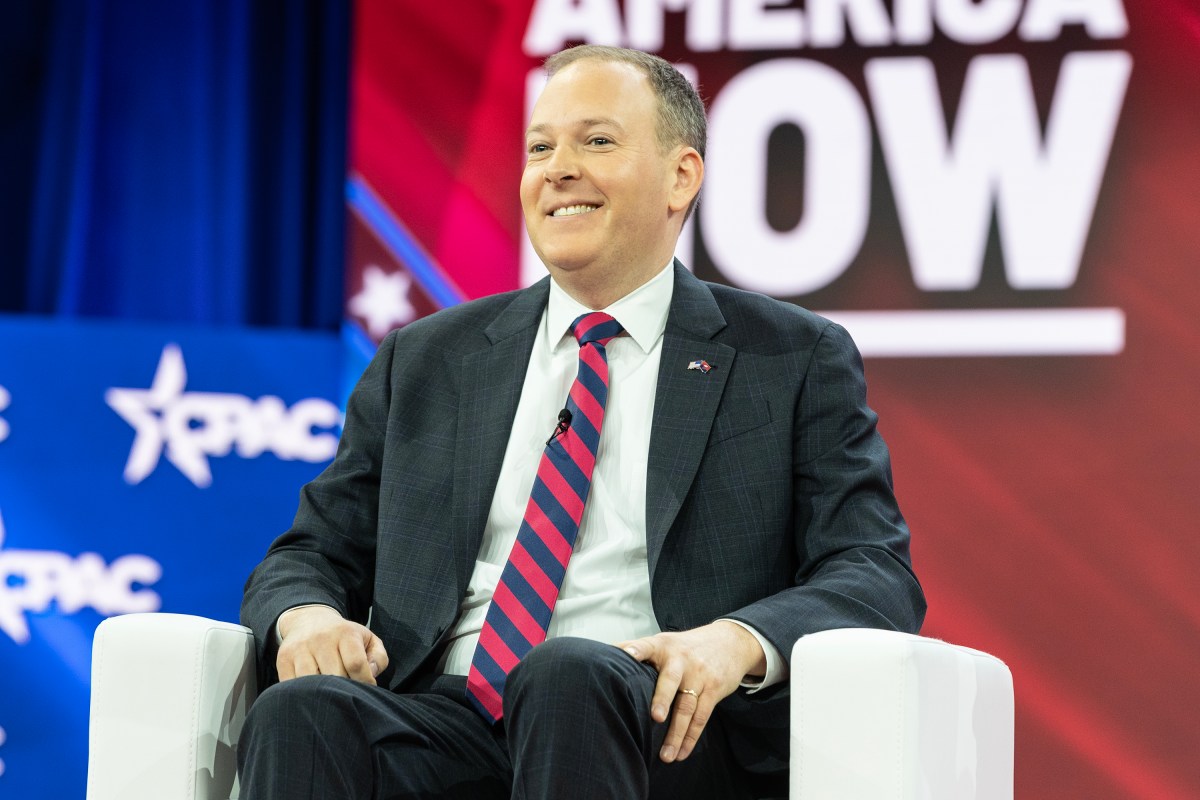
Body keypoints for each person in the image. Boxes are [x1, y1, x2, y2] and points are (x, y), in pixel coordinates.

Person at [237, 44, 924, 800]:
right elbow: (311, 551)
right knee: (302, 711)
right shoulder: (426, 359)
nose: (557, 168)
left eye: (596, 141)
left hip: (659, 723)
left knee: (566, 669)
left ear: (681, 176)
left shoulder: (789, 356)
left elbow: (873, 571)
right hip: (445, 715)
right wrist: (303, 618)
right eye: (540, 147)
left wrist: (735, 643)